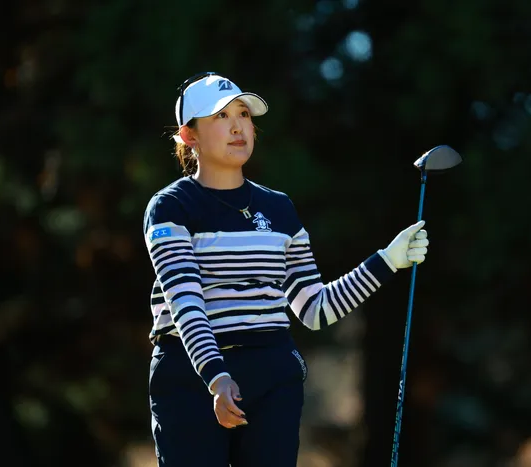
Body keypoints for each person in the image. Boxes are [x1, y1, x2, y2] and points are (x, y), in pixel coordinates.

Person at [143, 72, 430, 467]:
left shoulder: (278, 208)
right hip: (191, 375)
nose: (238, 126)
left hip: (271, 370)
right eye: (221, 116)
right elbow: (186, 302)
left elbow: (314, 308)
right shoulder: (171, 207)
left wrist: (387, 260)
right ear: (189, 135)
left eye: (243, 114)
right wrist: (216, 377)